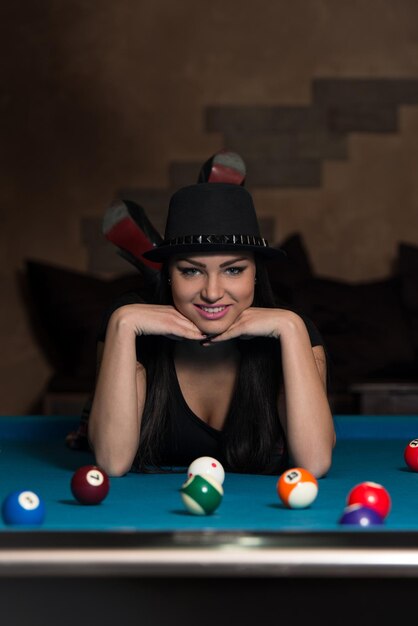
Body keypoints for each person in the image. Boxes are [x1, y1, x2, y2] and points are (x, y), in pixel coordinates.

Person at [87, 183, 336, 478]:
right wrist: (123, 323)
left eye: (233, 270)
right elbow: (111, 462)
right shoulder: (127, 327)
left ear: (256, 273)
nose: (212, 292)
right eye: (191, 270)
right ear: (170, 275)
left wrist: (291, 326)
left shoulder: (294, 330)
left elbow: (315, 463)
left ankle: (166, 253)